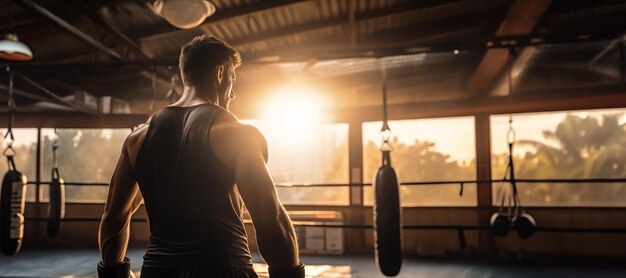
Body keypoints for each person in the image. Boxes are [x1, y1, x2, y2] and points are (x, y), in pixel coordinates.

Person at [97, 35, 303, 278]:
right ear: (220, 73)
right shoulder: (237, 135)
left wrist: (114, 274)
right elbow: (270, 218)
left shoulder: (138, 138)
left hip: (157, 271)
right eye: (232, 79)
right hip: (224, 269)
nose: (233, 94)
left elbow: (114, 216)